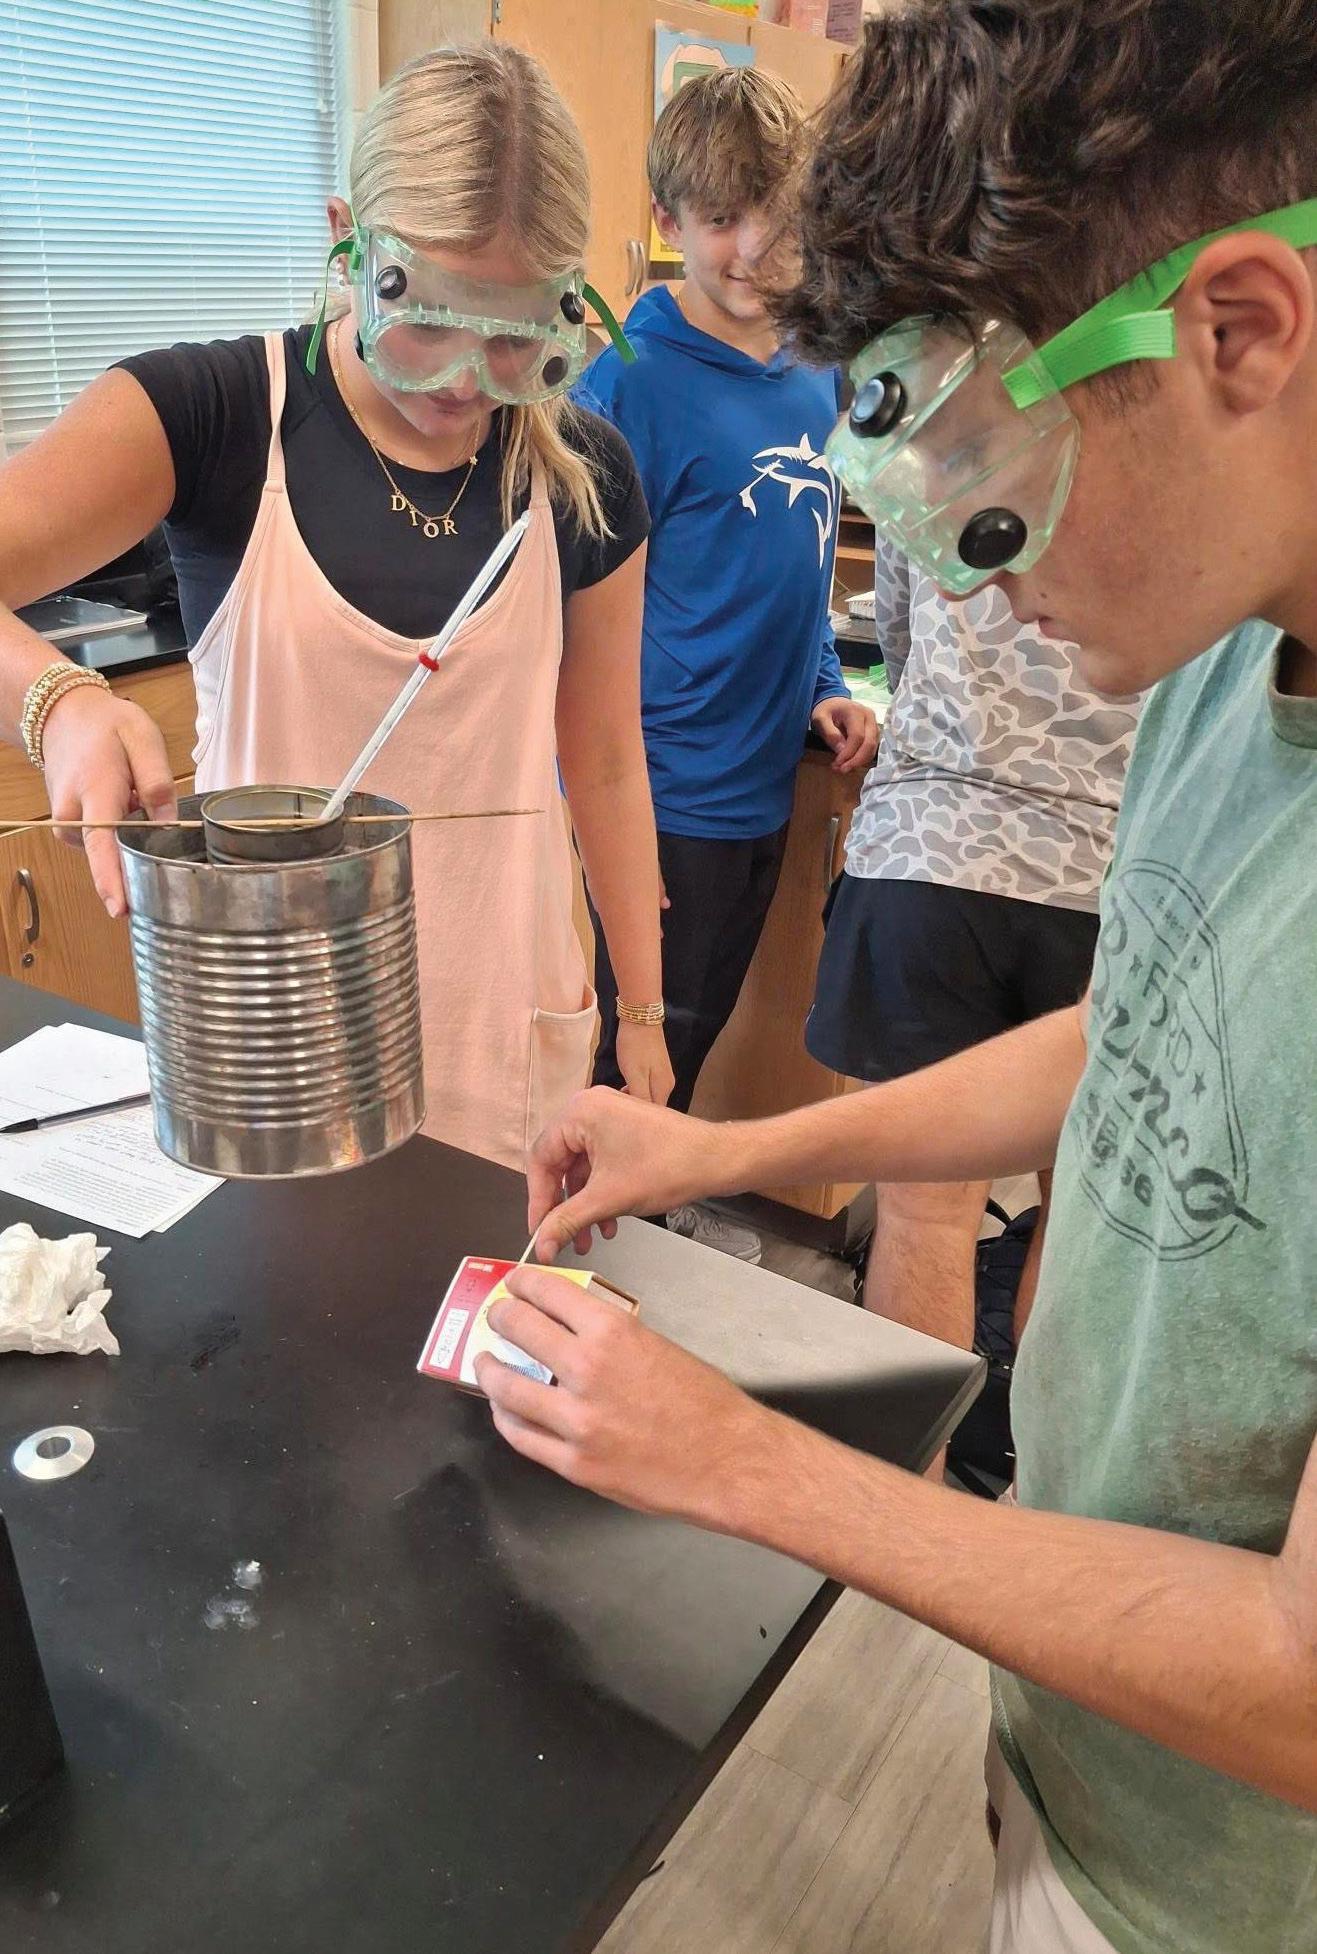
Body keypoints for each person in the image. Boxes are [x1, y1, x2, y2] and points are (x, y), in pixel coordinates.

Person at [475, 4, 1317, 1950]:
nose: (978, 582)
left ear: (1240, 332)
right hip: (1090, 1751)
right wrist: (720, 1153)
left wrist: (750, 1458)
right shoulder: (1227, 656)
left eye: (986, 485)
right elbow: (1145, 1028)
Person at [0, 43, 672, 1167]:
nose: (465, 378)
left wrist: (643, 1014)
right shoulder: (213, 415)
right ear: (347, 244)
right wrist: (56, 699)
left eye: (515, 337)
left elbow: (603, 759)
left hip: (506, 1028)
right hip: (276, 1043)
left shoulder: (582, 474)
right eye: (431, 317)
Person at [573, 68, 877, 1115]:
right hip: (666, 803)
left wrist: (825, 680)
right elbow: (562, 632)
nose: (753, 250)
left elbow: (804, 547)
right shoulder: (625, 388)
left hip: (762, 786)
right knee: (632, 1082)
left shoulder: (813, 363)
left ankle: (651, 1207)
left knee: (684, 1071)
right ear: (666, 222)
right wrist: (606, 830)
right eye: (719, 220)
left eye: (776, 218)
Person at [808, 542, 1138, 1346]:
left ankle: (915, 1433)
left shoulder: (944, 469)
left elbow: (896, 635)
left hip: (932, 847)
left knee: (922, 1211)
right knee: (1083, 1211)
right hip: (1106, 867)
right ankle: (1035, 1432)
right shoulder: (1190, 474)